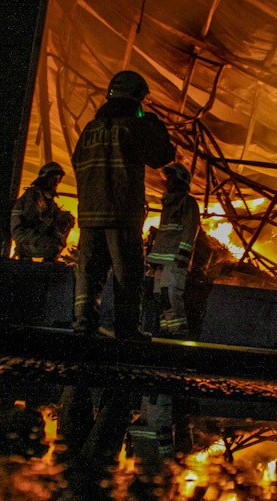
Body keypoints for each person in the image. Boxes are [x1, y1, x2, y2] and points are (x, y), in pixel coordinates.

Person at [71, 70, 175, 341]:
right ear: (137, 98)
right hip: (122, 212)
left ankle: (83, 325)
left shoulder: (90, 129)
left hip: (90, 215)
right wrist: (154, 125)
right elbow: (162, 156)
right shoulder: (134, 126)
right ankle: (126, 330)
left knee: (89, 273)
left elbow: (78, 163)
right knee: (127, 273)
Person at [146, 163, 201, 338]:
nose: (167, 183)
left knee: (170, 294)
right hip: (161, 260)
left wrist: (183, 255)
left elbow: (190, 229)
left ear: (181, 181)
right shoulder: (168, 205)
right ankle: (167, 331)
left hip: (175, 259)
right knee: (159, 296)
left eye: (171, 179)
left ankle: (179, 333)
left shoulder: (188, 202)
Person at [10, 161, 75, 262]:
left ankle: (48, 258)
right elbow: (38, 219)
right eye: (53, 178)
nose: (56, 182)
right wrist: (55, 219)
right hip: (25, 237)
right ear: (45, 178)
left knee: (66, 220)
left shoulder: (46, 197)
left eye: (58, 179)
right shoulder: (34, 195)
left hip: (34, 234)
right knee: (53, 244)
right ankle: (25, 251)